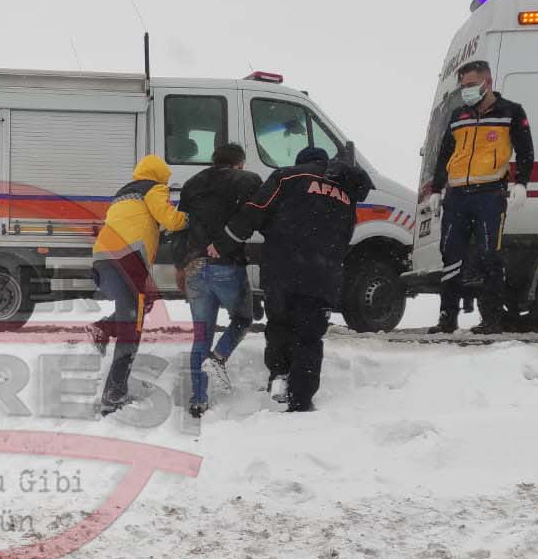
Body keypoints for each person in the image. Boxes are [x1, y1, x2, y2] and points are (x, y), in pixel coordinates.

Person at [223, 144, 372, 413]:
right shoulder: (346, 193)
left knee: (280, 325)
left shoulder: (288, 177)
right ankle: (302, 398)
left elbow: (257, 209)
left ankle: (279, 381)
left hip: (282, 270)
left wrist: (227, 240)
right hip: (322, 277)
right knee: (309, 337)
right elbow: (345, 236)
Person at [428, 59, 533, 334]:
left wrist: (521, 183)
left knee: (489, 255)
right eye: (463, 86)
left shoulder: (510, 111)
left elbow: (525, 150)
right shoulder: (458, 116)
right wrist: (437, 188)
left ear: (488, 82)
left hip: (490, 194)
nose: (467, 91)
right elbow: (445, 155)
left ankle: (491, 320)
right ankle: (447, 319)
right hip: (457, 195)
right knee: (450, 254)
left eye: (472, 85)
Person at [89, 154, 187, 415]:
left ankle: (102, 327)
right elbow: (170, 219)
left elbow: (141, 222)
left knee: (145, 301)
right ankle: (114, 396)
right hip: (128, 261)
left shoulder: (124, 193)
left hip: (103, 259)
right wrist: (189, 220)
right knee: (132, 329)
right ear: (160, 175)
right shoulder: (154, 189)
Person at [177, 143, 261, 417]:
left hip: (194, 266)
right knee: (243, 319)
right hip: (225, 265)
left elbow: (182, 225)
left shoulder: (192, 184)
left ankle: (198, 400)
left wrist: (181, 265)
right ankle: (219, 356)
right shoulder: (246, 180)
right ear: (238, 163)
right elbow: (253, 216)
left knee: (201, 335)